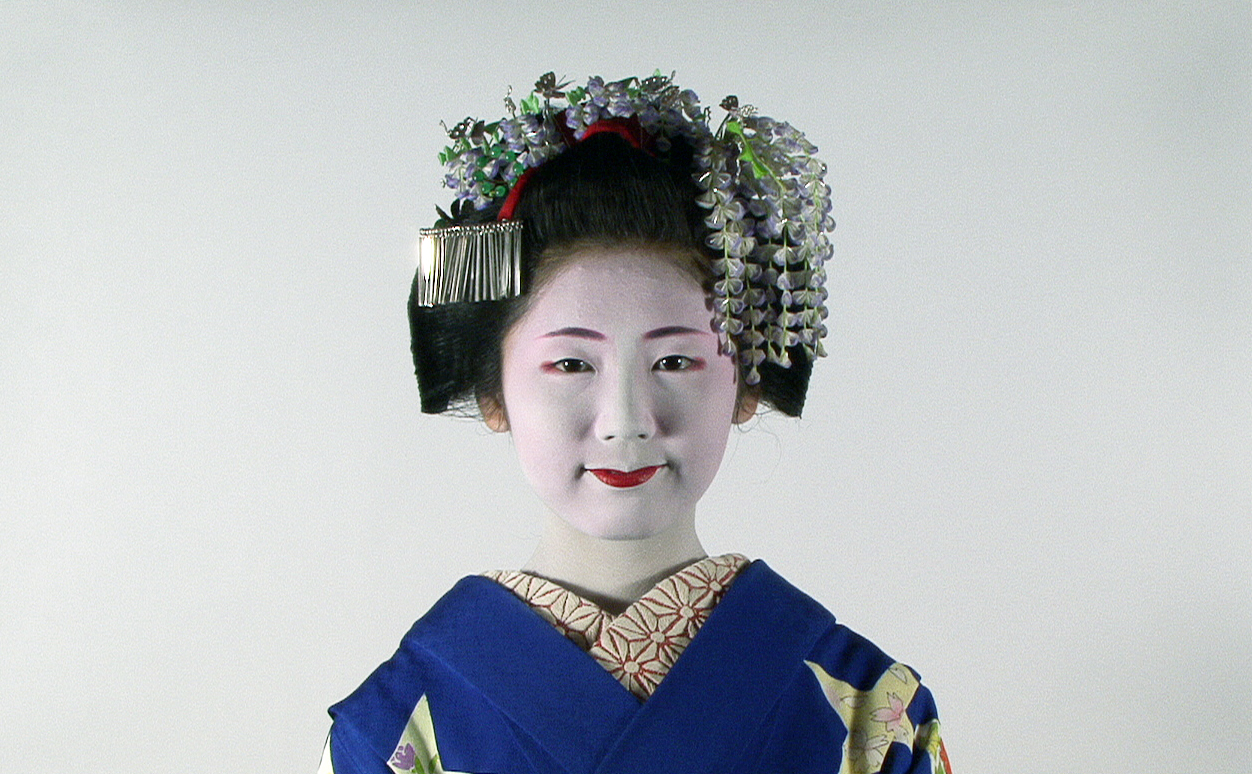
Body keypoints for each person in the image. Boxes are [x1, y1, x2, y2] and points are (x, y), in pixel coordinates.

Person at [320, 72, 951, 774]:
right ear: (493, 391)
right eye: (570, 365)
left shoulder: (873, 713)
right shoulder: (392, 728)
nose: (625, 422)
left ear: (746, 383)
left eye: (675, 361)